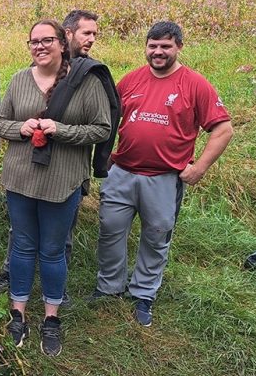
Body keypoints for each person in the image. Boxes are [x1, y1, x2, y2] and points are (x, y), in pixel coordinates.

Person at [91, 21, 233, 327]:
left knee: (156, 236)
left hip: (164, 178)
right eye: (152, 46)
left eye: (165, 46)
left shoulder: (195, 84)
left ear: (179, 47)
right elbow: (106, 120)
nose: (158, 52)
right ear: (146, 47)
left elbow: (223, 129)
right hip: (123, 172)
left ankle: (143, 293)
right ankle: (109, 287)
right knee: (110, 231)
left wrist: (199, 168)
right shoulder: (130, 81)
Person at [0, 20, 111, 356]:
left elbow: (101, 129)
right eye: (33, 42)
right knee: (22, 245)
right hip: (20, 179)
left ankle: (51, 317)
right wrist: (21, 127)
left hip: (62, 180)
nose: (40, 47)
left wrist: (62, 130)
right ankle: (18, 311)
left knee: (53, 250)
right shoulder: (19, 79)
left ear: (63, 43)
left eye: (47, 40)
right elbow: (0, 122)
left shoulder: (85, 82)